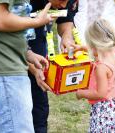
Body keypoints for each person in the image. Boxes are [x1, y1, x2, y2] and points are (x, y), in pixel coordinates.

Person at [0, 0, 55, 132]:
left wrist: (27, 52)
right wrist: (37, 21)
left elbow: (3, 14)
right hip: (1, 62)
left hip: (2, 60)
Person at [28, 0, 78, 132]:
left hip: (37, 43)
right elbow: (8, 39)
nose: (64, 5)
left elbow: (66, 19)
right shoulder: (23, 2)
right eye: (61, 1)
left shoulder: (65, 2)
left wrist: (66, 37)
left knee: (39, 104)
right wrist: (33, 68)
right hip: (11, 50)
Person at [75, 18, 115, 132]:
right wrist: (82, 48)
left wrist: (81, 93)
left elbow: (101, 93)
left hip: (104, 111)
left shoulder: (101, 67)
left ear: (96, 45)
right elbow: (97, 50)